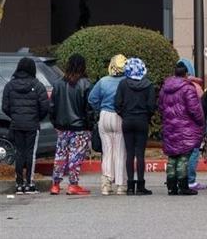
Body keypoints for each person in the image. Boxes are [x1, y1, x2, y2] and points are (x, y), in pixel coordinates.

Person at [1, 57, 49, 194]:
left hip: (16, 124)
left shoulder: (10, 86)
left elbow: (5, 107)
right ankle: (29, 184)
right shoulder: (38, 85)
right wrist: (36, 118)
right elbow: (44, 107)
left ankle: (19, 184)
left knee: (19, 153)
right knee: (30, 154)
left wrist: (15, 116)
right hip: (32, 125)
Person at [50, 54, 94, 196]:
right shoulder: (86, 84)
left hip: (62, 126)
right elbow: (89, 109)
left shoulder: (58, 84)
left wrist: (55, 122)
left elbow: (52, 106)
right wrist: (90, 126)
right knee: (76, 156)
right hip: (80, 126)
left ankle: (55, 185)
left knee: (60, 155)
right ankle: (73, 185)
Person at [159, 61, 205, 196]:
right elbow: (195, 109)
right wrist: (201, 122)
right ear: (186, 74)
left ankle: (171, 186)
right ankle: (183, 186)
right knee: (183, 156)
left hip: (170, 126)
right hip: (185, 126)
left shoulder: (165, 88)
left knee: (172, 156)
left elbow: (161, 106)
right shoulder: (188, 88)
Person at [115, 57, 156, 196]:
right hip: (142, 120)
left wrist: (124, 114)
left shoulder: (123, 84)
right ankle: (141, 185)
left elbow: (117, 104)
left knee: (130, 153)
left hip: (127, 119)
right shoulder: (148, 85)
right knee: (140, 154)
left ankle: (130, 185)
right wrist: (146, 116)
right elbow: (151, 106)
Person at [88, 54, 128, 195]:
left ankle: (106, 183)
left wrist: (99, 109)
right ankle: (121, 185)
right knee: (120, 151)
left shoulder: (103, 81)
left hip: (104, 116)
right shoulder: (126, 82)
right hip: (120, 116)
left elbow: (92, 99)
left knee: (107, 151)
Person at [175, 58, 206, 191]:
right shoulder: (195, 87)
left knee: (178, 153)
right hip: (191, 125)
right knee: (193, 152)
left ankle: (177, 179)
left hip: (175, 124)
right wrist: (201, 123)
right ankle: (190, 180)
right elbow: (199, 108)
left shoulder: (170, 85)